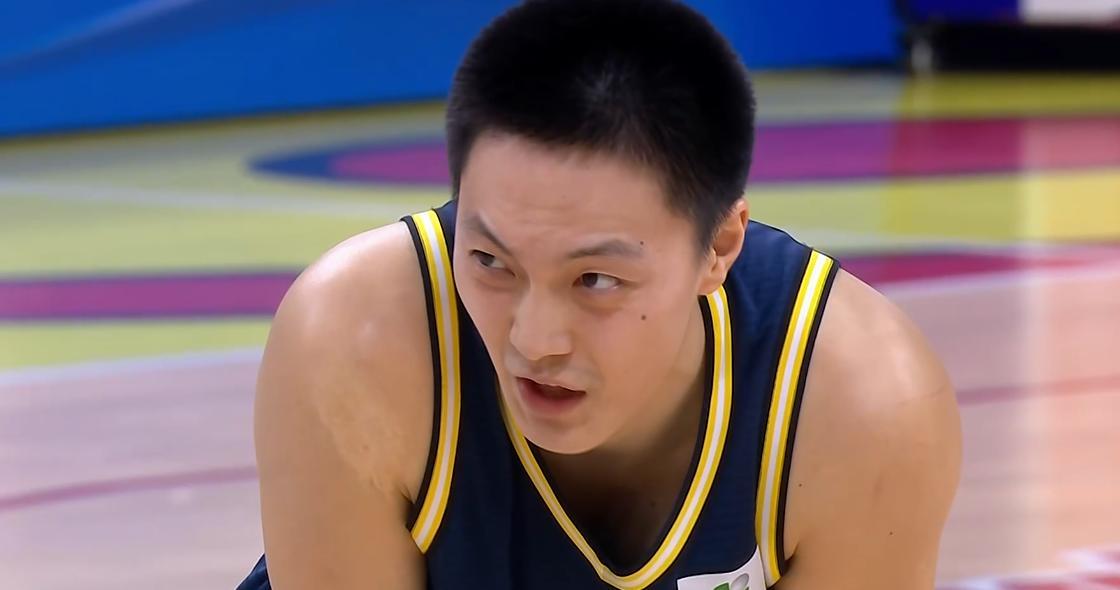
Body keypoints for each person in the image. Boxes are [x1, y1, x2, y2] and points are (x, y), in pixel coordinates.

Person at [237, 0, 961, 588]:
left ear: (718, 247)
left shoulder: (860, 405)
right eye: (491, 261)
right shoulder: (353, 339)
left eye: (596, 280)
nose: (534, 339)